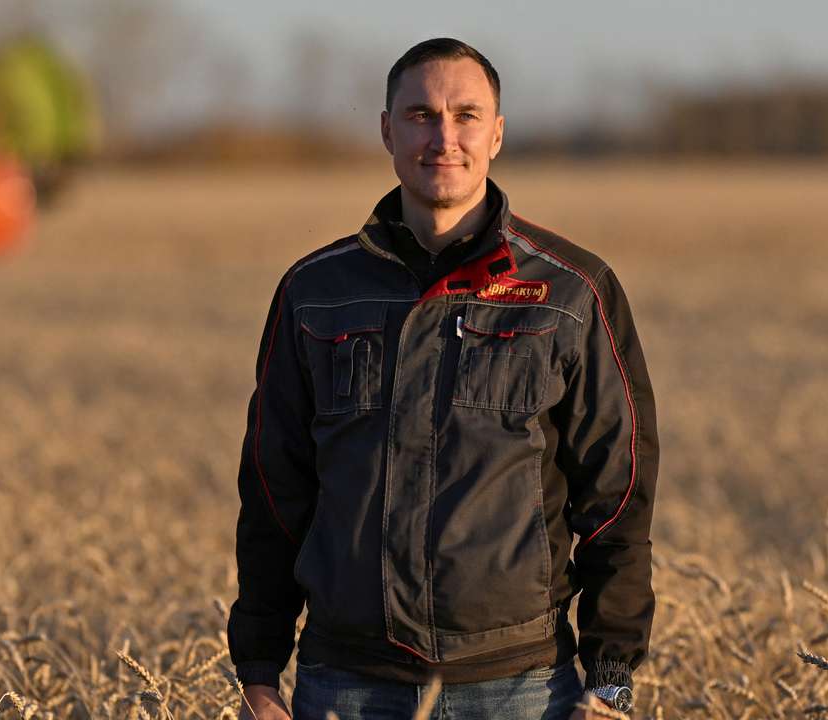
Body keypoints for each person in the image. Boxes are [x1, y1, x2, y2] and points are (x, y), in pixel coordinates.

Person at [228, 37, 658, 720]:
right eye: (421, 114)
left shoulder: (570, 291)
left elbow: (618, 498)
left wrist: (610, 681)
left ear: (497, 134)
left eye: (465, 114)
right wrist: (257, 666)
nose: (444, 136)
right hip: (344, 683)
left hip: (522, 686)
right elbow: (275, 490)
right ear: (387, 130)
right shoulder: (316, 291)